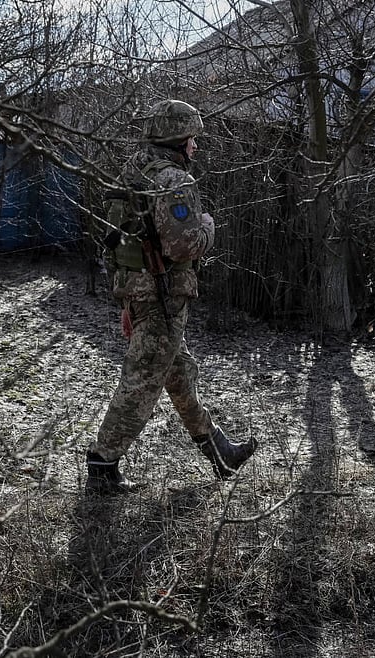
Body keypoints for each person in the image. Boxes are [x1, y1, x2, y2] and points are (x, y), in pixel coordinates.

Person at [86, 99, 257, 494]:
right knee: (142, 381)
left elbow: (123, 237)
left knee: (178, 374)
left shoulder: (135, 170)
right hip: (161, 295)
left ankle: (219, 450)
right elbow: (183, 246)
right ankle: (102, 463)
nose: (196, 147)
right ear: (179, 140)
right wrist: (209, 228)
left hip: (141, 290)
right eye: (192, 139)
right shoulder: (173, 180)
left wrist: (129, 298)